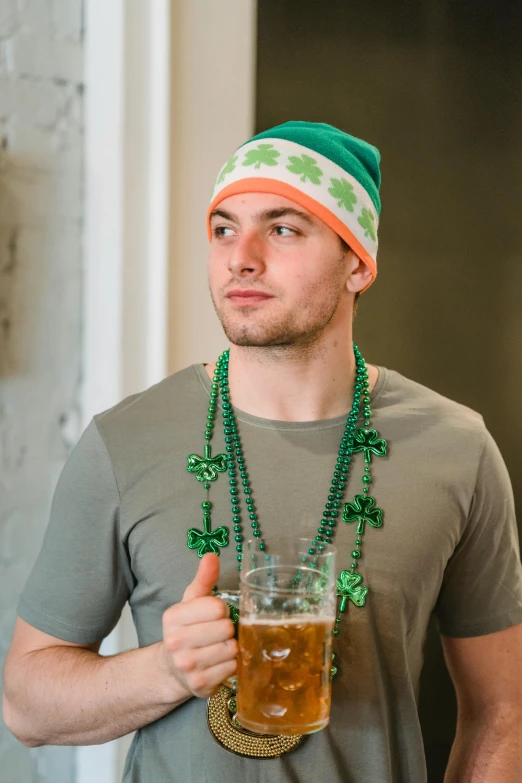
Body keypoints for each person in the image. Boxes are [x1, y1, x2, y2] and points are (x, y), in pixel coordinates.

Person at [3, 121, 522, 782]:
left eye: (282, 229)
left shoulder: (459, 449)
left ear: (357, 261)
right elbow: (26, 705)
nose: (240, 257)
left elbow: (503, 713)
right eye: (223, 229)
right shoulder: (122, 442)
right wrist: (166, 668)